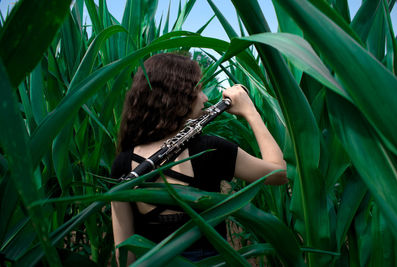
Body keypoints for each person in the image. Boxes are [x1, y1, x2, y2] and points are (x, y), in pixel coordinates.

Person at [110, 52, 287, 265]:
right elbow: (280, 173)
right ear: (177, 96)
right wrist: (251, 112)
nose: (206, 98)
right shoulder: (210, 149)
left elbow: (125, 255)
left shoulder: (122, 163)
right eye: (199, 89)